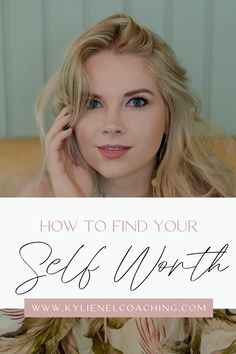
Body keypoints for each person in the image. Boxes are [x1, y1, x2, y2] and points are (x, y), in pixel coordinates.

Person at [1, 13, 236, 354]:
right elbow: (17, 345)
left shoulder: (211, 209)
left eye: (136, 101)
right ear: (70, 117)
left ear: (169, 113)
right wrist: (73, 219)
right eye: (93, 103)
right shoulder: (38, 204)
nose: (112, 124)